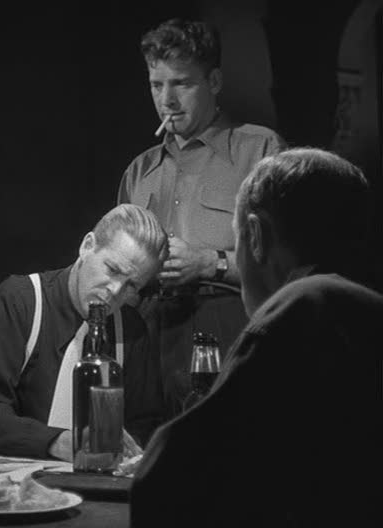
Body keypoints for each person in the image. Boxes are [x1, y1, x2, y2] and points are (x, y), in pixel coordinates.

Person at [131, 148, 383, 526]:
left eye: (237, 239)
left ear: (256, 236)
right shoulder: (367, 309)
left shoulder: (302, 307)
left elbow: (167, 476)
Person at [117, 19, 286, 417]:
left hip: (228, 335)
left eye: (182, 83)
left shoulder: (260, 149)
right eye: (156, 85)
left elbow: (288, 268)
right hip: (149, 342)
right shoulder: (138, 171)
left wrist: (209, 263)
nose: (167, 100)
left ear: (214, 81)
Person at [0, 204, 169, 460]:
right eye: (113, 270)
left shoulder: (131, 329)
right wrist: (57, 442)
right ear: (87, 246)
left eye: (132, 285)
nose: (115, 291)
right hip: (16, 470)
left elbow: (144, 425)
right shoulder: (21, 301)